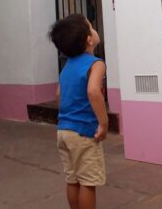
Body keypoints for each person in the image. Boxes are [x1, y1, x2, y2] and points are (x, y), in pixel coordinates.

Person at [49, 14, 108, 209]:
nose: (94, 30)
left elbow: (59, 94)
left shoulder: (67, 67)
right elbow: (93, 91)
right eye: (91, 27)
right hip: (83, 133)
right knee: (88, 183)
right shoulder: (96, 63)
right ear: (89, 39)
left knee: (72, 179)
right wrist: (103, 123)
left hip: (63, 131)